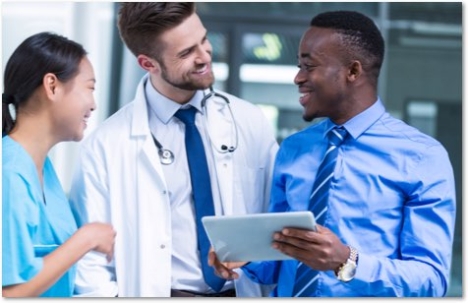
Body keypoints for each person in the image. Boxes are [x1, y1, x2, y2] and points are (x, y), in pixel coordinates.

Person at [209, 10, 456, 297]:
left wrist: (345, 260)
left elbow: (431, 280)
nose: (298, 78)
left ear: (353, 71)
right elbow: (276, 261)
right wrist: (245, 256)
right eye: (298, 65)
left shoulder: (422, 156)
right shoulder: (294, 148)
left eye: (308, 66)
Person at [68, 2, 278, 297]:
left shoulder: (249, 121)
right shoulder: (105, 146)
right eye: (186, 53)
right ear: (148, 64)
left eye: (203, 40)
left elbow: (275, 217)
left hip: (242, 290)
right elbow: (90, 263)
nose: (204, 56)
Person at [2, 32, 116, 297]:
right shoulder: (8, 174)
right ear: (52, 86)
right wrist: (86, 239)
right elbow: (8, 292)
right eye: (90, 87)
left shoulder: (42, 169)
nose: (93, 104)